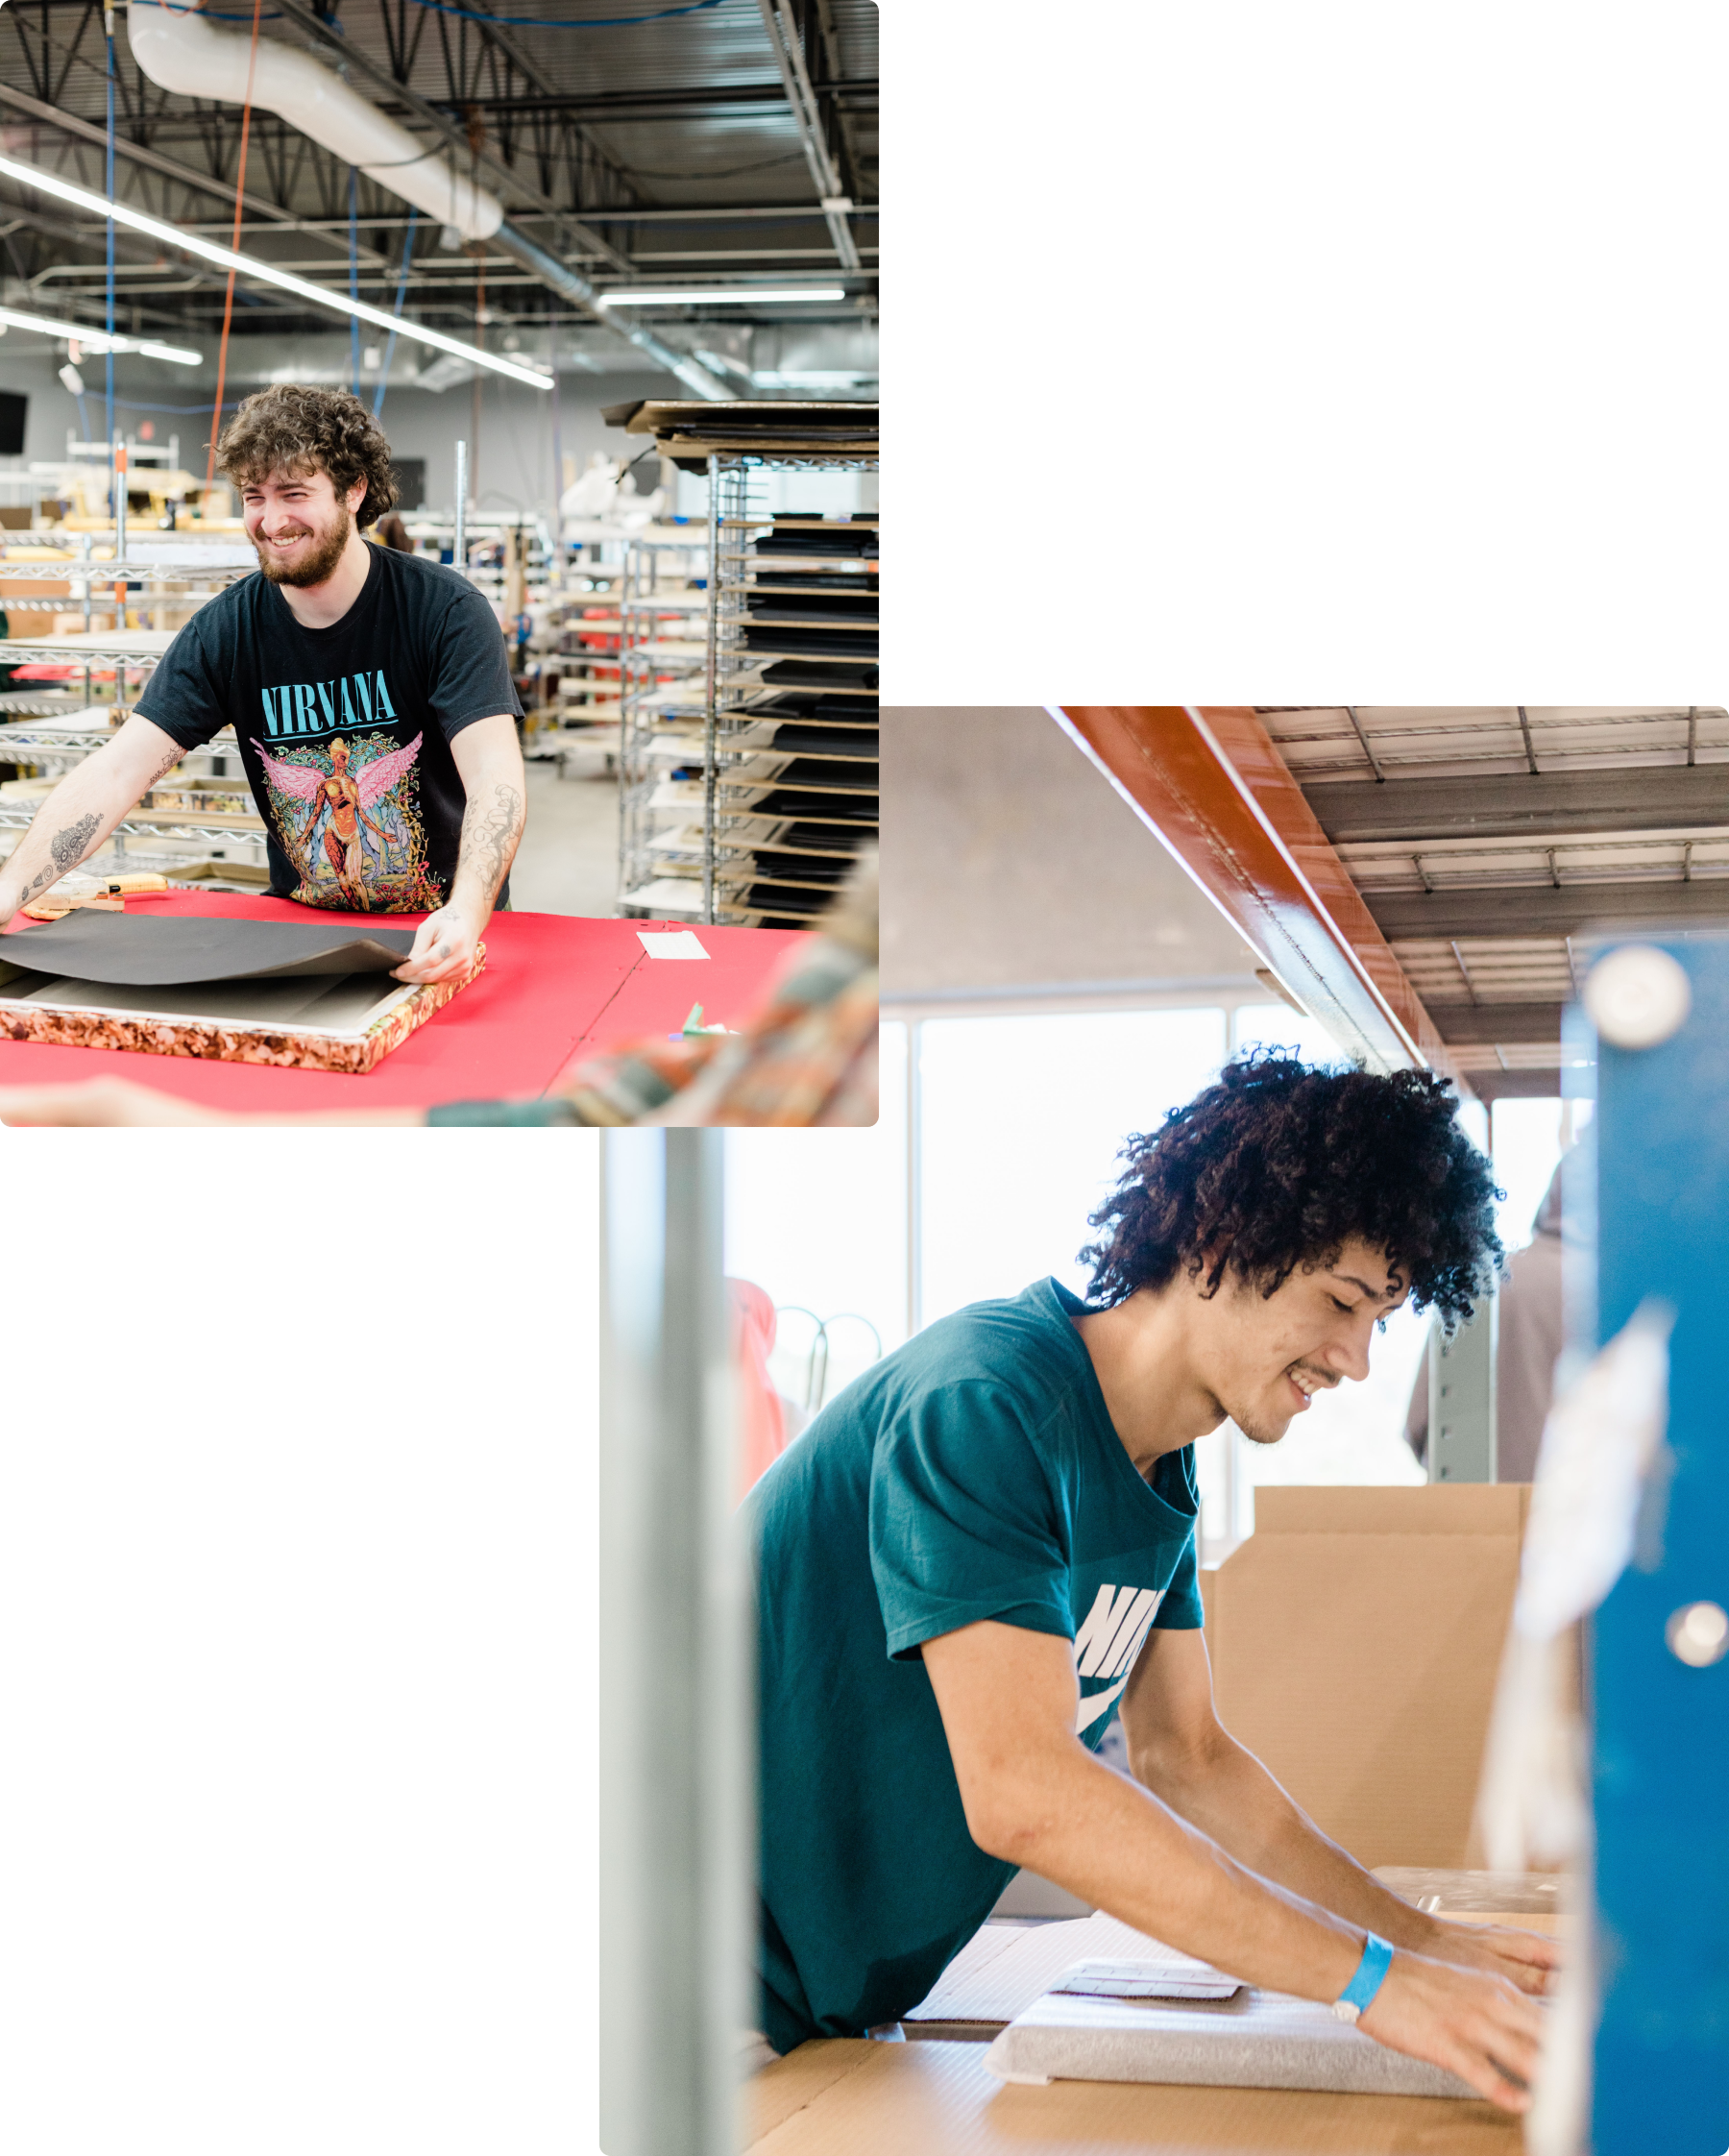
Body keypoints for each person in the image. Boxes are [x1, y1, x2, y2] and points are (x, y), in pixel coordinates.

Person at [746, 1053, 1556, 2113]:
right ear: (1225, 1246)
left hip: (813, 2004)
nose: (1356, 1360)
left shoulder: (1159, 1469)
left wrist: (1426, 1944)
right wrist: (1373, 1986)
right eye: (1342, 1301)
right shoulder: (986, 1402)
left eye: (1380, 1320)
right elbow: (1026, 1792)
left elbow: (1194, 1759)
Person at [0, 384, 524, 987]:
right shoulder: (226, 630)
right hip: (304, 944)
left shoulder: (445, 611)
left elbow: (495, 780)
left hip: (449, 933)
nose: (272, 521)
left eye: (295, 494)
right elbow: (118, 771)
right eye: (255, 497)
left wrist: (467, 910)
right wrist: (12, 886)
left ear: (354, 491)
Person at [1404, 1156, 1568, 1482]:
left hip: (1474, 1519)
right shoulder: (1625, 1300)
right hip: (1572, 1523)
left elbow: (1419, 1424)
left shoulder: (1477, 1279)